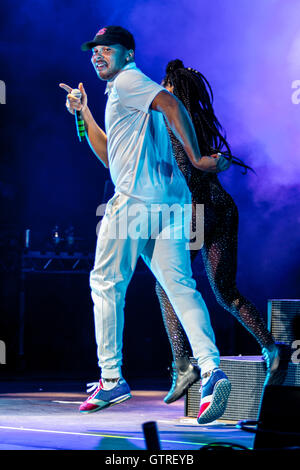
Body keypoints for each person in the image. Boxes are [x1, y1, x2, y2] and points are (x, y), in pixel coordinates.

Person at [59, 26, 231, 423]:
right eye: (94, 51)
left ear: (128, 54)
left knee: (105, 282)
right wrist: (83, 112)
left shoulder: (129, 81)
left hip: (135, 203)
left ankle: (111, 377)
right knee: (180, 286)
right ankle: (211, 370)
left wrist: (200, 157)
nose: (97, 56)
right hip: (171, 203)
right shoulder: (125, 90)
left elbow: (172, 104)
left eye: (107, 49)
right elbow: (108, 157)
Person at [155, 59, 291, 406]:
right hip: (223, 208)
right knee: (226, 292)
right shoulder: (195, 121)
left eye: (164, 85)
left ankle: (183, 363)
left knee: (166, 283)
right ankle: (271, 348)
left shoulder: (169, 120)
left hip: (199, 209)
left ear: (172, 87)